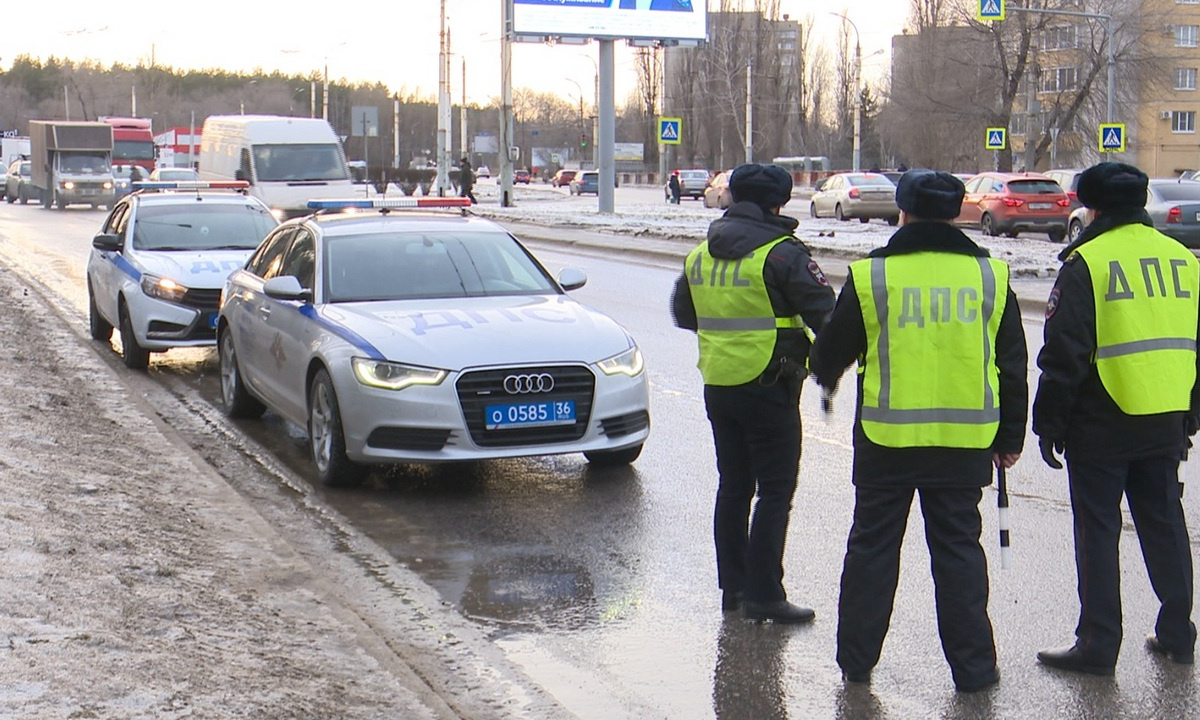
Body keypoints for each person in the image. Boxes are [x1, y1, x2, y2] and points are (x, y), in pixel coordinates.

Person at [809, 169, 1028, 692]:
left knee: (873, 552)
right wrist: (1011, 439)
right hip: (964, 443)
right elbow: (1013, 366)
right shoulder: (990, 276)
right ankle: (974, 671)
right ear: (956, 213)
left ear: (902, 213)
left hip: (887, 442)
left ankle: (856, 663)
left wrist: (824, 369)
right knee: (958, 555)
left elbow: (830, 356)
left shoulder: (872, 276)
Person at [1033, 162, 1199, 676]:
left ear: (1093, 207)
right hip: (1165, 412)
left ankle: (1098, 644)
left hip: (1103, 418)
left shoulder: (1088, 262)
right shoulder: (1183, 259)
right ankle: (1177, 632)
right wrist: (1190, 414)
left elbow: (1065, 354)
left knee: (1099, 530)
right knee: (1164, 523)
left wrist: (1048, 424)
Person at [671, 163, 835, 623]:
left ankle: (734, 589)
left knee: (734, 486)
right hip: (770, 384)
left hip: (719, 383)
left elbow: (683, 313)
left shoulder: (702, 253)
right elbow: (828, 317)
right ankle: (765, 593)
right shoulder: (783, 254)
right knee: (775, 490)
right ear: (778, 204)